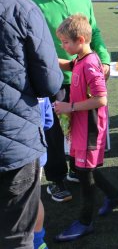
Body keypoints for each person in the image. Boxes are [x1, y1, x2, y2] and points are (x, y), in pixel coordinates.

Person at [31, 0, 111, 203]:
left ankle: (78, 169)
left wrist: (104, 58)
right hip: (54, 79)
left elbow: (94, 33)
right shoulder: (34, 4)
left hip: (82, 77)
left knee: (80, 127)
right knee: (54, 131)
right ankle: (56, 179)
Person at [0, 0, 62, 249]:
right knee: (17, 236)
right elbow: (48, 83)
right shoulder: (22, 8)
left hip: (14, 137)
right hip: (13, 142)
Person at [53, 14, 118, 242]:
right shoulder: (80, 59)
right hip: (81, 126)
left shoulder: (91, 64)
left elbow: (101, 99)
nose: (64, 46)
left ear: (81, 39)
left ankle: (85, 222)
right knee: (84, 167)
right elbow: (67, 64)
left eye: (66, 42)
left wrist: (69, 106)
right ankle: (115, 195)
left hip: (90, 128)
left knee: (84, 174)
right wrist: (47, 58)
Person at [34, 97, 54, 249]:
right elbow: (48, 122)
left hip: (10, 154)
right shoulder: (38, 82)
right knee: (34, 198)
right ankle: (38, 241)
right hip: (36, 152)